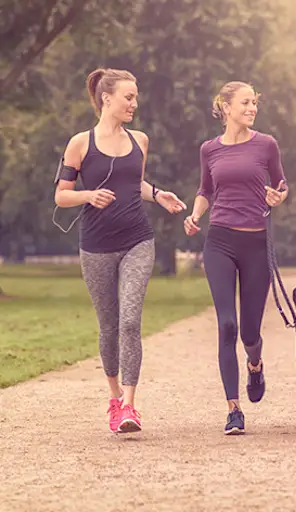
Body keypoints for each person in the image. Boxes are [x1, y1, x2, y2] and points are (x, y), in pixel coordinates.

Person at [54, 68, 186, 434]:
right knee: (109, 325)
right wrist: (88, 195)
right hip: (95, 246)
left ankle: (130, 405)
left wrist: (158, 194)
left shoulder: (140, 140)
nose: (134, 103)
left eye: (136, 97)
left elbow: (134, 182)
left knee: (130, 321)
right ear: (106, 98)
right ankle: (114, 399)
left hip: (137, 240)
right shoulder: (80, 143)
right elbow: (61, 195)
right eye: (129, 97)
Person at [184, 81, 288, 435]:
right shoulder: (209, 149)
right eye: (245, 103)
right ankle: (233, 408)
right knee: (226, 324)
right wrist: (196, 215)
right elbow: (205, 190)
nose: (252, 108)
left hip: (256, 245)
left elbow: (282, 184)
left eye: (254, 103)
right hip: (220, 243)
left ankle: (255, 364)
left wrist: (278, 198)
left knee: (250, 331)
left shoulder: (266, 145)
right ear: (225, 107)